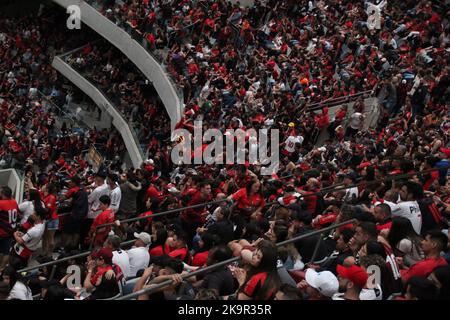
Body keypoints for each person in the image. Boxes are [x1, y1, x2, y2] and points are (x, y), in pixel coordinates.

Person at [0, 186, 20, 271]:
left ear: (3, 194)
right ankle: (2, 268)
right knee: (6, 252)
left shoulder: (1, 203)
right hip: (10, 232)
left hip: (1, 232)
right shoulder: (14, 201)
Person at [42, 183, 58, 256]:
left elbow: (47, 209)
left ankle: (49, 254)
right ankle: (43, 252)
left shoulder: (51, 197)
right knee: (44, 237)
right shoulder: (45, 195)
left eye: (44, 185)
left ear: (47, 189)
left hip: (52, 219)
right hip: (46, 219)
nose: (43, 186)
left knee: (50, 239)